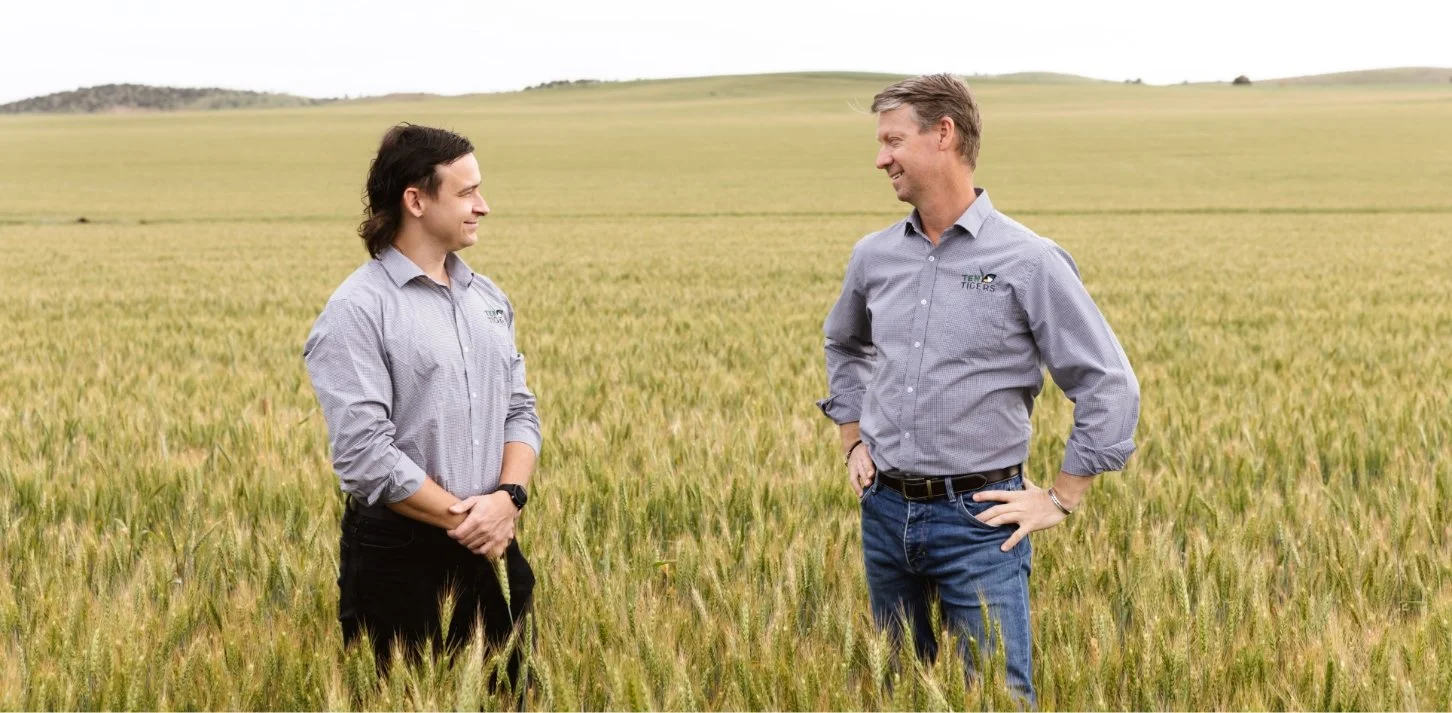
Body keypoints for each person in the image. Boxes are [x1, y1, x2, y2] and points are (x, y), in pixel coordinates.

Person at [817, 74, 1140, 705]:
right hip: (884, 511)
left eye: (892, 140)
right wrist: (852, 439)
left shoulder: (1029, 259)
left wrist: (1062, 498)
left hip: (979, 519)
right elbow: (844, 343)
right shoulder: (874, 256)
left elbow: (1108, 382)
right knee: (898, 692)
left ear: (944, 134)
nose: (880, 158)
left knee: (996, 697)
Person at [303, 123, 541, 689]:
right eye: (467, 192)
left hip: (494, 544)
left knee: (513, 697)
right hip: (399, 555)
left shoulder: (488, 299)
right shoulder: (357, 310)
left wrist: (507, 500)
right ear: (416, 200)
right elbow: (365, 455)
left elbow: (520, 411)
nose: (483, 206)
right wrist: (474, 521)